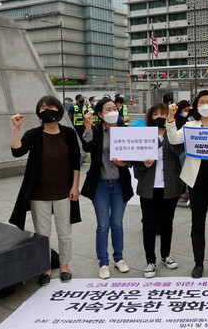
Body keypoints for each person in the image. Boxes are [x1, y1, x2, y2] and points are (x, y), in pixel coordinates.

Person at [9, 96, 81, 286]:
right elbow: (17, 151)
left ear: (59, 110)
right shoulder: (34, 134)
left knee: (64, 232)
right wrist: (16, 128)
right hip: (39, 194)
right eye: (42, 107)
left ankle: (64, 266)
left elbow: (76, 162)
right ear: (38, 112)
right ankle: (46, 268)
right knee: (42, 234)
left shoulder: (68, 134)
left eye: (50, 106)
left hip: (64, 193)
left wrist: (75, 186)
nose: (46, 110)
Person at [166, 90, 208, 279]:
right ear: (196, 106)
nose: (206, 105)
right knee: (198, 223)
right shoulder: (190, 125)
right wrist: (170, 119)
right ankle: (198, 263)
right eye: (202, 102)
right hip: (197, 180)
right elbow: (173, 139)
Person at [81, 97, 134, 279]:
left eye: (115, 108)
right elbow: (87, 147)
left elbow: (134, 155)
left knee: (117, 224)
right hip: (100, 185)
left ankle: (118, 259)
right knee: (103, 225)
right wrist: (87, 127)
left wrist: (125, 162)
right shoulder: (95, 131)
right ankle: (103, 263)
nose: (113, 111)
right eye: (108, 109)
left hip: (120, 183)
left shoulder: (125, 131)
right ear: (100, 114)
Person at [134, 103, 185, 278]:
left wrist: (171, 128)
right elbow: (133, 159)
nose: (159, 117)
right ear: (150, 117)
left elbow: (179, 151)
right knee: (148, 225)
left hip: (169, 187)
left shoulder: (175, 134)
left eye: (163, 114)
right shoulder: (143, 135)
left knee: (167, 224)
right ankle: (150, 261)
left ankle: (165, 255)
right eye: (155, 114)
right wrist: (143, 163)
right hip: (149, 187)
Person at [175, 99, 192, 208]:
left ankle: (186, 191)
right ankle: (183, 191)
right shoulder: (176, 118)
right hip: (178, 147)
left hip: (186, 147)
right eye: (184, 110)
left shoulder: (188, 117)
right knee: (181, 169)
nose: (186, 112)